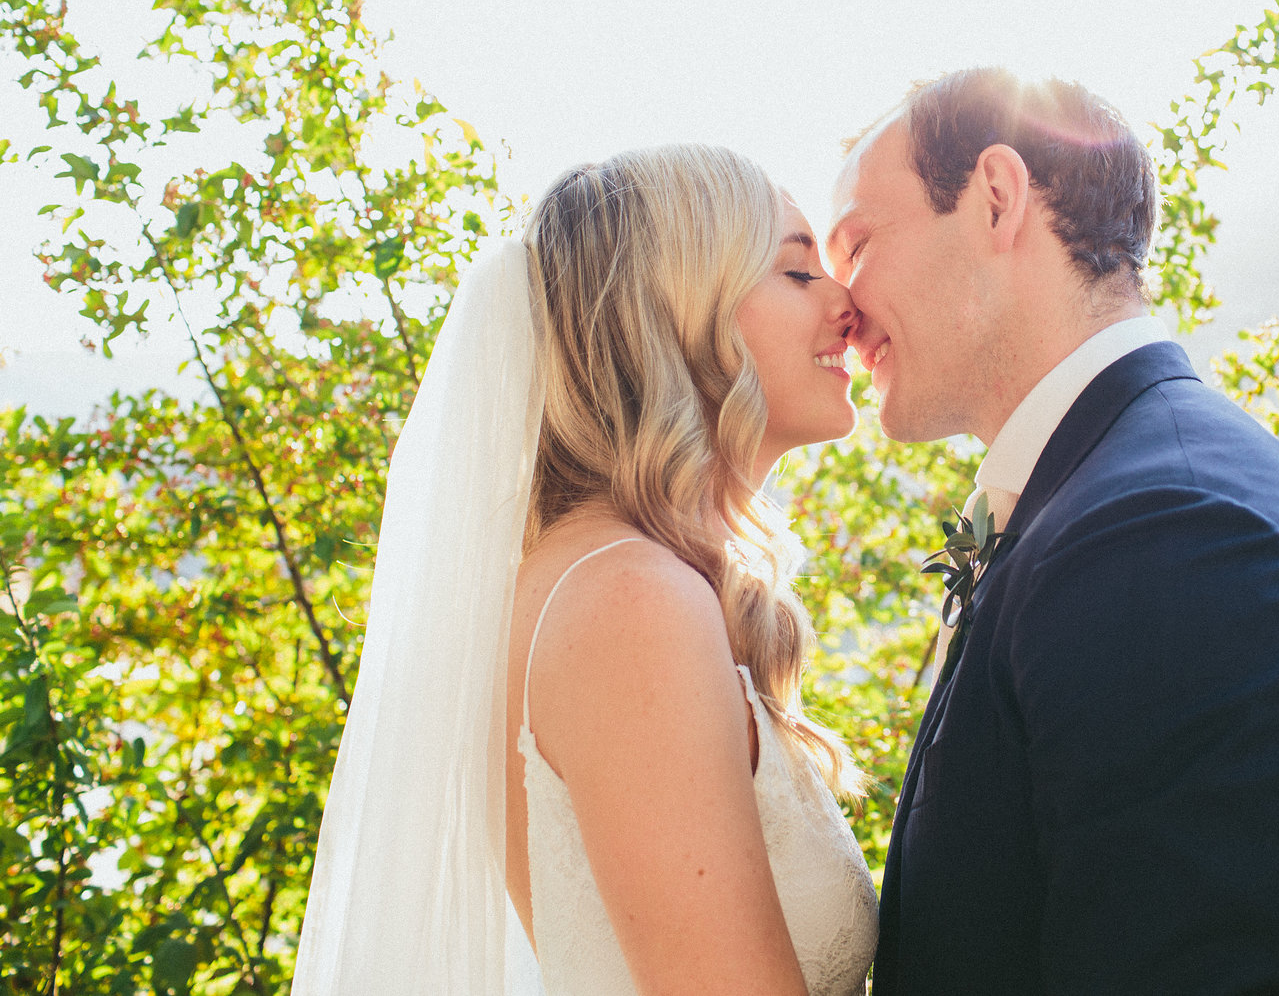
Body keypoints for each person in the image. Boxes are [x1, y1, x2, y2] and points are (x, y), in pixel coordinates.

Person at [829, 69, 1279, 995]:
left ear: (996, 198)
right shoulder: (1114, 504)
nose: (842, 308)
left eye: (858, 244)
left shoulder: (1175, 540)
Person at [295, 144, 878, 995]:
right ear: (673, 313)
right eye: (798, 272)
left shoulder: (613, 576)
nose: (846, 303)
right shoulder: (629, 599)